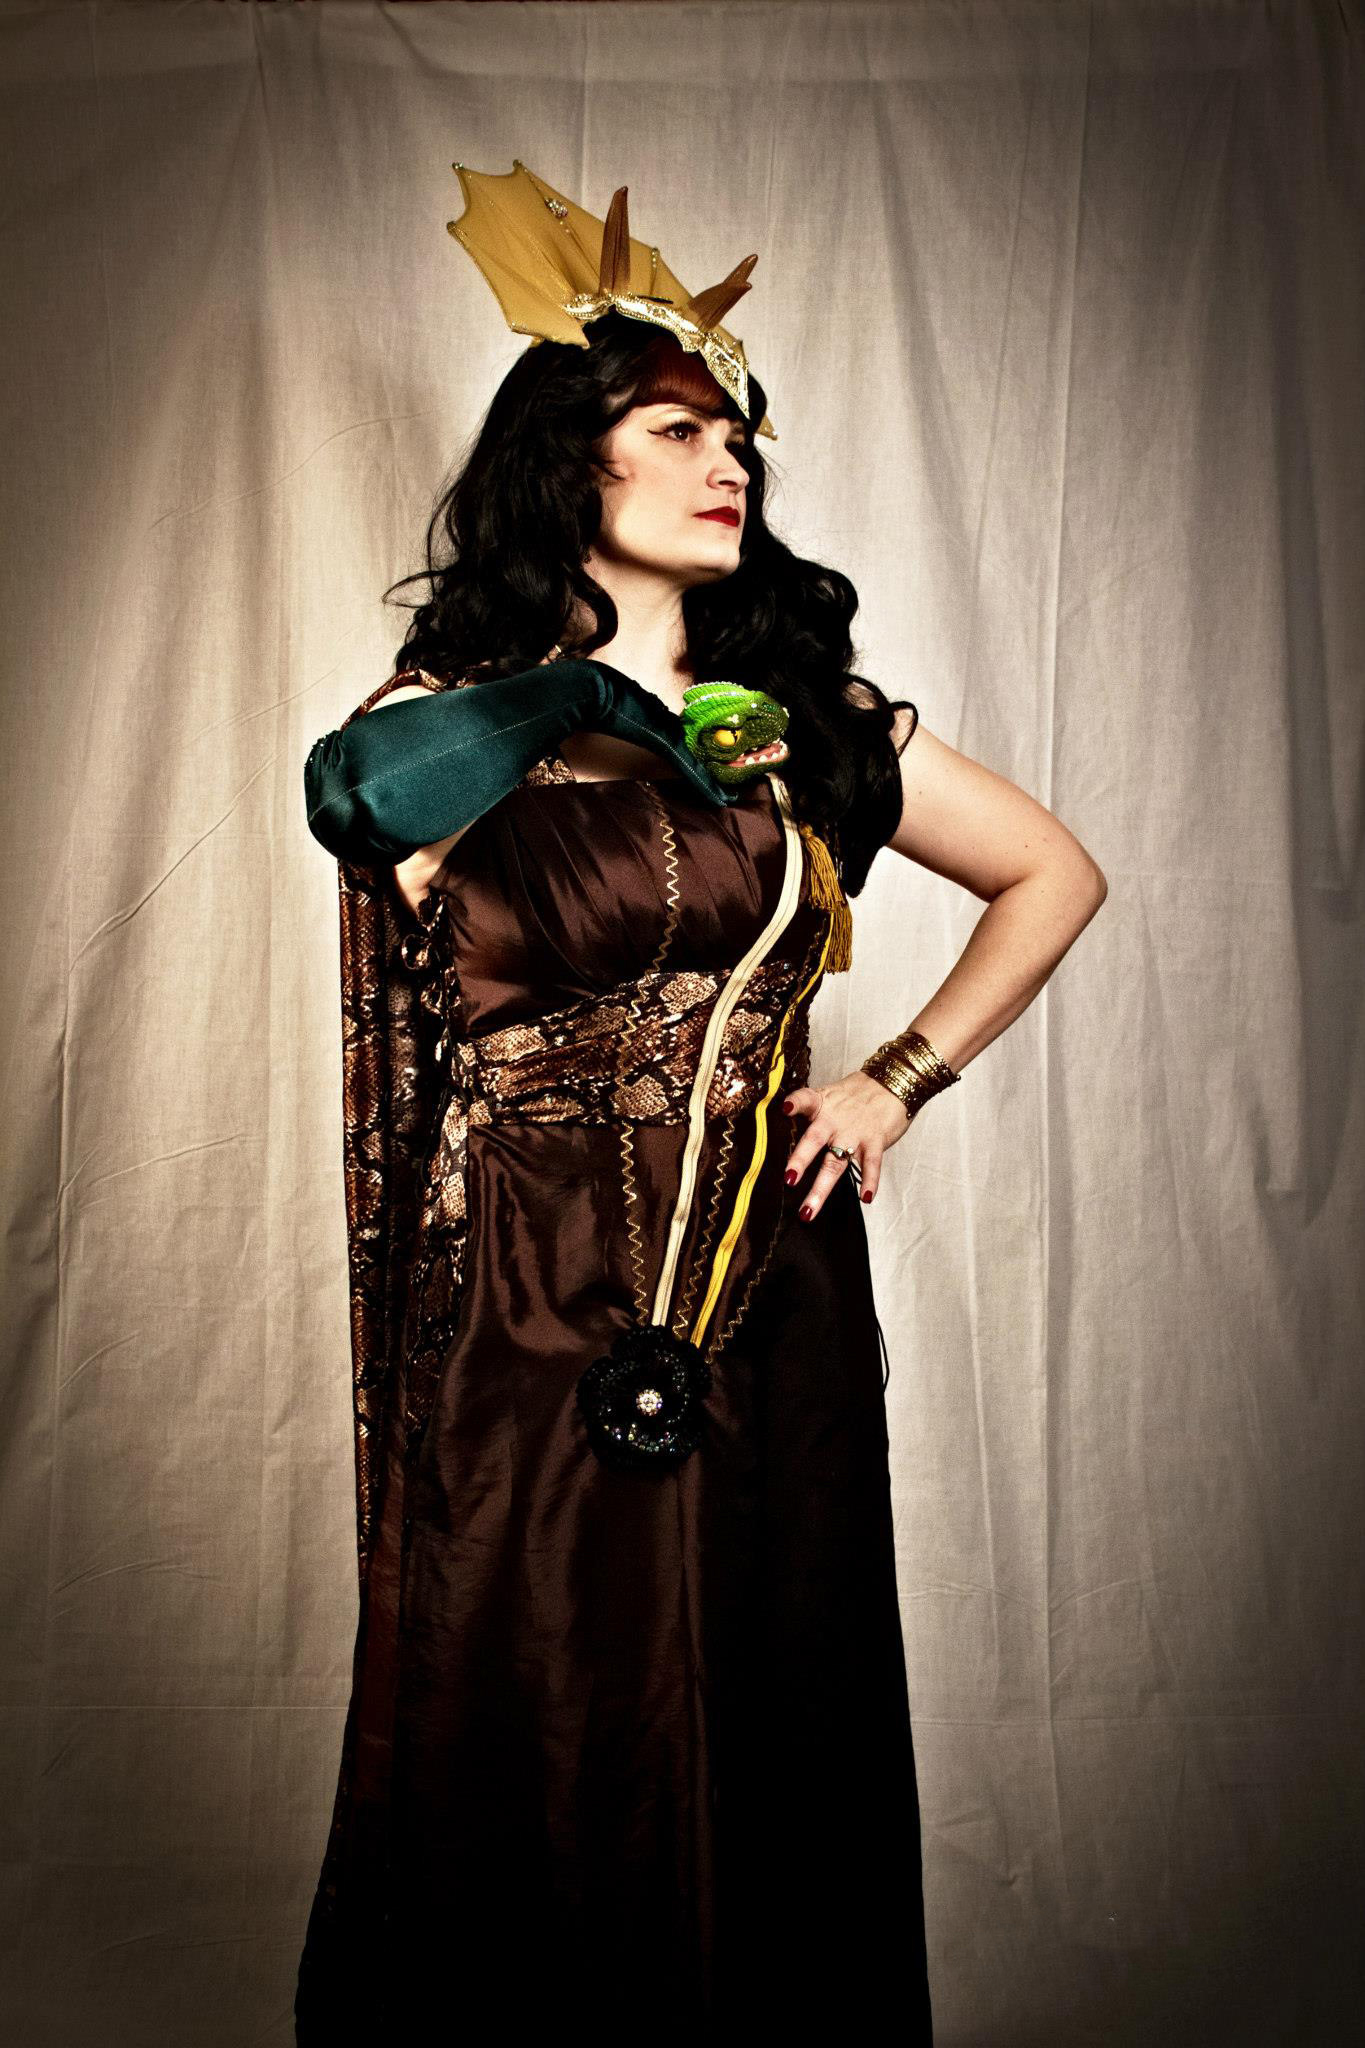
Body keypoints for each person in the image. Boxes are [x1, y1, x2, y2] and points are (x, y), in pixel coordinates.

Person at [295, 163, 1106, 2044]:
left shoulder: (807, 724)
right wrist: (613, 704)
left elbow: (1050, 873)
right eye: (675, 429)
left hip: (760, 1271)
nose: (725, 461)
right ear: (565, 466)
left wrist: (894, 1081)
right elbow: (358, 801)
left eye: (737, 436)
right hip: (520, 1287)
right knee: (544, 1683)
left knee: (766, 1676)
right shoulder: (446, 716)